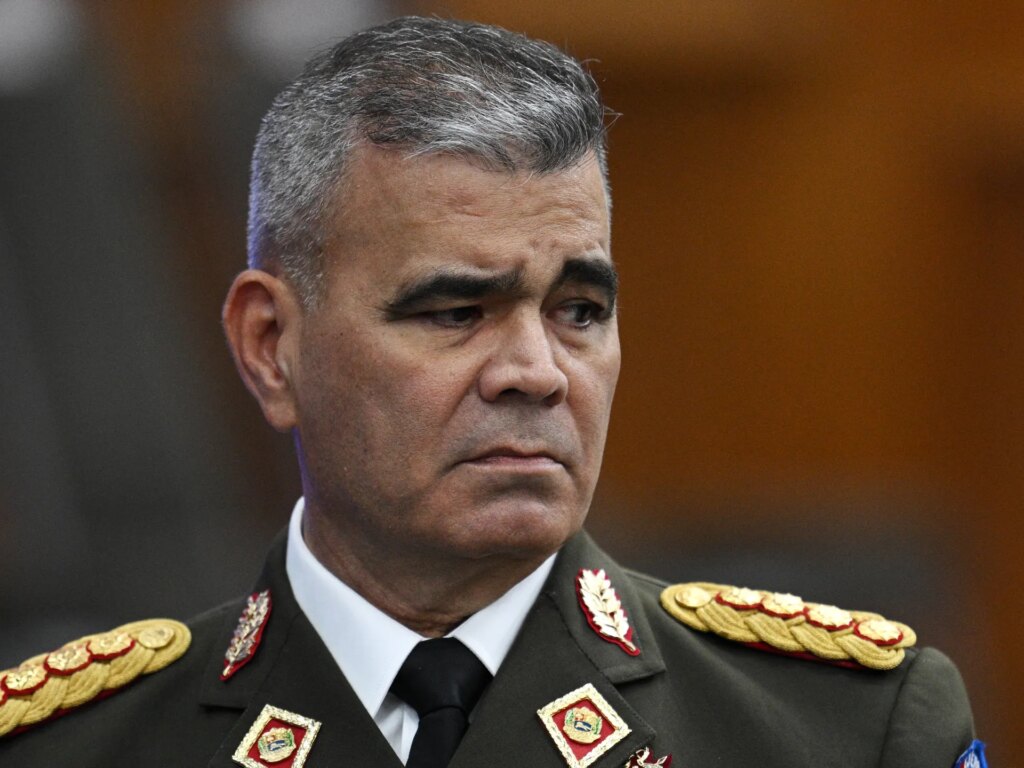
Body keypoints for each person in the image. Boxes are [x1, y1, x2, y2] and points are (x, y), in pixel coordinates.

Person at [0, 16, 984, 768]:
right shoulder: (70, 746)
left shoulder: (844, 731)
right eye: (455, 311)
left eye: (579, 310)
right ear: (269, 347)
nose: (538, 372)